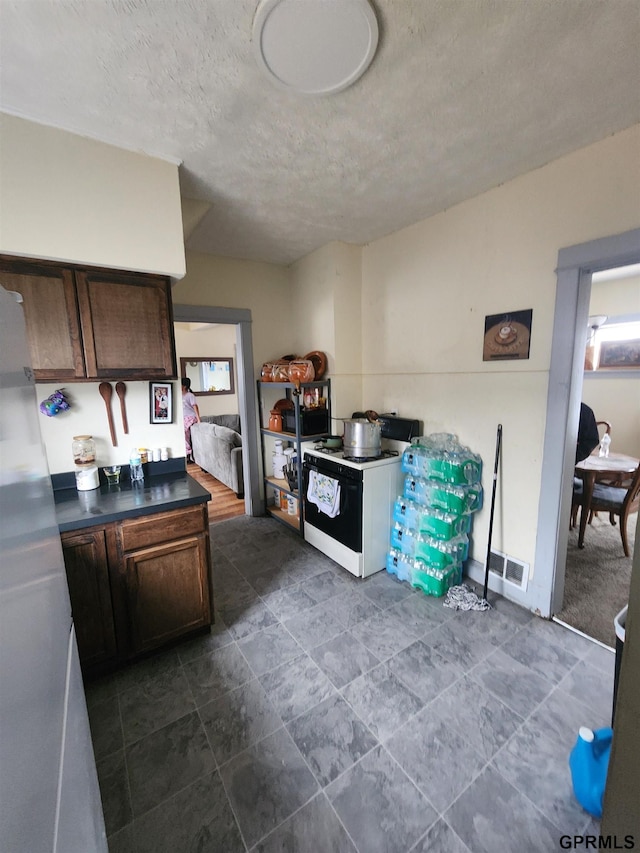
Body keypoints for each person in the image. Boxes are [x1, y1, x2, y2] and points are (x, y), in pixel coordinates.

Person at [181, 377, 201, 462]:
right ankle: (186, 452)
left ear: (184, 386)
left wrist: (198, 419)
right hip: (184, 417)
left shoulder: (190, 395)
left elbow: (195, 407)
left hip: (191, 417)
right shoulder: (180, 395)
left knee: (184, 431)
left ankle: (188, 453)